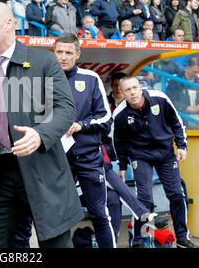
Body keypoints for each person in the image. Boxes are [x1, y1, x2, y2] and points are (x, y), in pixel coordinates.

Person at [0, 2, 83, 248]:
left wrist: (40, 134)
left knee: (56, 243)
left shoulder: (42, 61)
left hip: (41, 169)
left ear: (9, 24)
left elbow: (65, 108)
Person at [112, 75, 199, 248]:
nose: (133, 92)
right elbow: (118, 142)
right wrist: (122, 165)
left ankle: (182, 237)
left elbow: (177, 122)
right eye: (128, 90)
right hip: (140, 156)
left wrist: (181, 145)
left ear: (140, 87)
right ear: (122, 93)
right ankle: (139, 240)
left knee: (176, 194)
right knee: (144, 198)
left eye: (135, 87)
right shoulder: (119, 114)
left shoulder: (160, 98)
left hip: (165, 153)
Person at [53, 32, 115, 248]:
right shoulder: (44, 79)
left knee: (98, 213)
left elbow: (106, 117)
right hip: (56, 161)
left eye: (68, 53)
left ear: (78, 54)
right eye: (59, 52)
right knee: (57, 216)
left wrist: (81, 125)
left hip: (88, 157)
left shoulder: (90, 78)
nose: (63, 57)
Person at [166, 56, 199, 129]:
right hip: (183, 116)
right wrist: (189, 108)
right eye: (194, 71)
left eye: (198, 72)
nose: (196, 74)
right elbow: (171, 101)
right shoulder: (175, 81)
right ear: (187, 68)